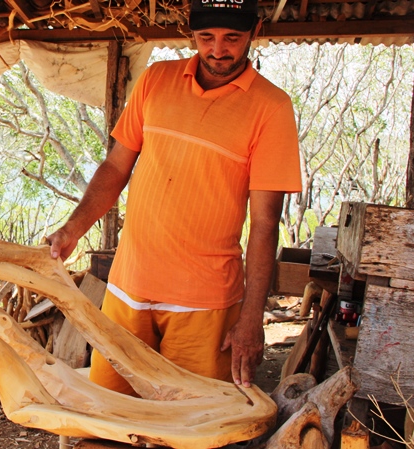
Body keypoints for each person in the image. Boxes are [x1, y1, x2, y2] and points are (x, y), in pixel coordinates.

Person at [46, 0, 302, 394]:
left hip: (205, 304)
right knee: (113, 420)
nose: (218, 50)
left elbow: (265, 222)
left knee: (191, 425)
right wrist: (73, 229)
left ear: (255, 31)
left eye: (232, 38)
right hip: (127, 288)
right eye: (206, 38)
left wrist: (252, 318)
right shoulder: (155, 80)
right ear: (191, 35)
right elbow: (116, 167)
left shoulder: (271, 107)